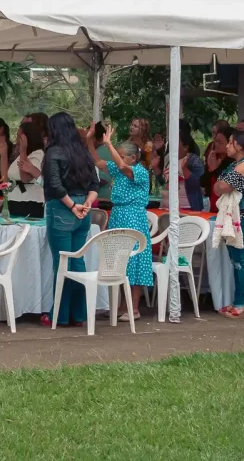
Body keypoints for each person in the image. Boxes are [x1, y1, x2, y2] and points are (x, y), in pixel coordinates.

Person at [39, 113, 100, 327]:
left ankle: (59, 315)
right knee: (77, 262)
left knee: (62, 263)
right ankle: (79, 314)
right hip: (84, 209)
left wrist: (72, 206)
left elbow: (55, 185)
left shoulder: (54, 151)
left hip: (63, 209)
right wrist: (85, 204)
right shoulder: (83, 152)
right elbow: (95, 184)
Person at [93, 125, 153, 320]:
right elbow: (97, 161)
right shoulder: (119, 170)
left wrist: (108, 143)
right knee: (117, 261)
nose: (117, 159)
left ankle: (133, 308)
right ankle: (118, 306)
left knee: (133, 261)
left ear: (133, 158)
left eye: (121, 156)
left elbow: (122, 167)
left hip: (133, 218)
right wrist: (88, 141)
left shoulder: (139, 171)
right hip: (119, 215)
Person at [214, 131, 244, 318]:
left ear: (240, 145)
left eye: (230, 142)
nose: (227, 146)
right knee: (236, 260)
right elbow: (217, 187)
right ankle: (239, 300)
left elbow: (223, 187)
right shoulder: (235, 165)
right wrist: (222, 183)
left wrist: (222, 183)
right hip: (233, 217)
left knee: (240, 260)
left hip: (242, 217)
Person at [2, 118, 46, 219]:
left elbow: (25, 178)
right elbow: (6, 179)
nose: (17, 139)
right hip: (14, 199)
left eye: (19, 136)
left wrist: (23, 150)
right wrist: (3, 155)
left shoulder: (38, 154)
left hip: (29, 202)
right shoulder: (21, 155)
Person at [203, 126, 233, 213]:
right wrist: (209, 169)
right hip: (213, 205)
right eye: (215, 141)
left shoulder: (233, 163)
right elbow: (203, 182)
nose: (216, 145)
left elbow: (227, 184)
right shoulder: (213, 159)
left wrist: (215, 169)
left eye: (220, 142)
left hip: (227, 208)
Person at [179, 131, 206, 212]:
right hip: (168, 206)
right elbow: (163, 183)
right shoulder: (169, 160)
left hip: (189, 207)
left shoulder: (194, 161)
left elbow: (200, 184)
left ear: (185, 147)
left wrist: (184, 169)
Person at [88, 122, 114, 201]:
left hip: (100, 198)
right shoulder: (104, 150)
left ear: (95, 138)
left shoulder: (103, 152)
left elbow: (103, 179)